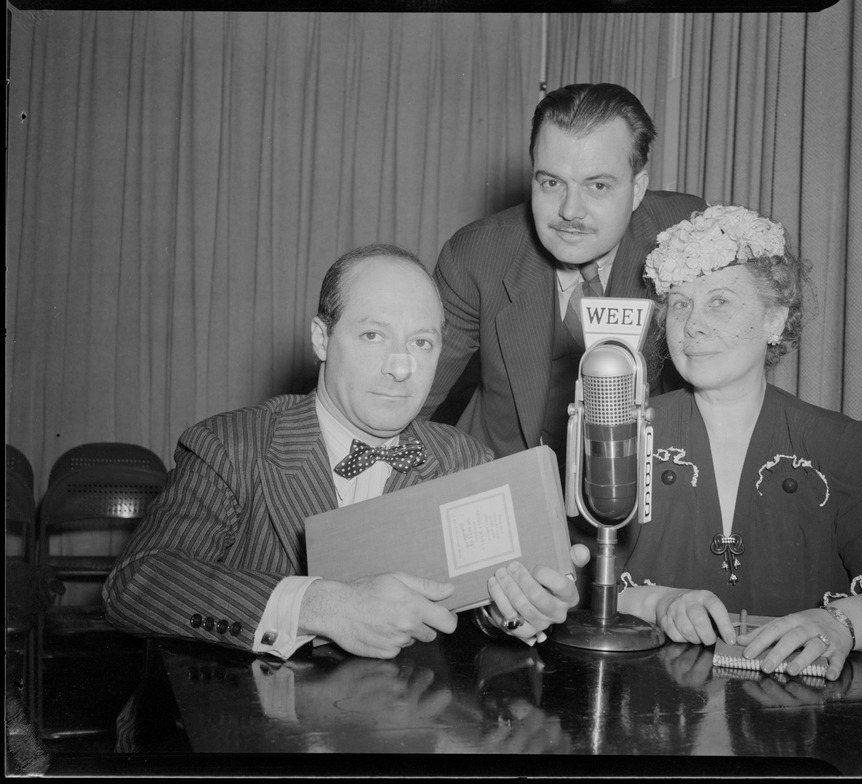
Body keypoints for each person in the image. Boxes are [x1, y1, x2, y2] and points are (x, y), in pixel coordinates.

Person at [103, 244, 581, 660]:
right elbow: (137, 584)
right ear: (321, 338)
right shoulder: (232, 445)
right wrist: (321, 606)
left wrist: (510, 612)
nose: (401, 366)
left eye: (422, 342)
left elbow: (481, 619)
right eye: (373, 336)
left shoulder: (465, 463)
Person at [612, 204, 862, 681]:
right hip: (652, 717)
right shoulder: (620, 431)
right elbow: (566, 577)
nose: (692, 324)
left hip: (796, 720)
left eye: (719, 301)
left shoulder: (839, 443)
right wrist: (656, 603)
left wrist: (839, 624)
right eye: (679, 304)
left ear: (774, 319)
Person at [420, 82, 705, 472]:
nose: (570, 211)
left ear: (637, 188)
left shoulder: (688, 236)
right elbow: (411, 398)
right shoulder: (477, 256)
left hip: (647, 482)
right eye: (551, 183)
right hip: (508, 482)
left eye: (598, 185)